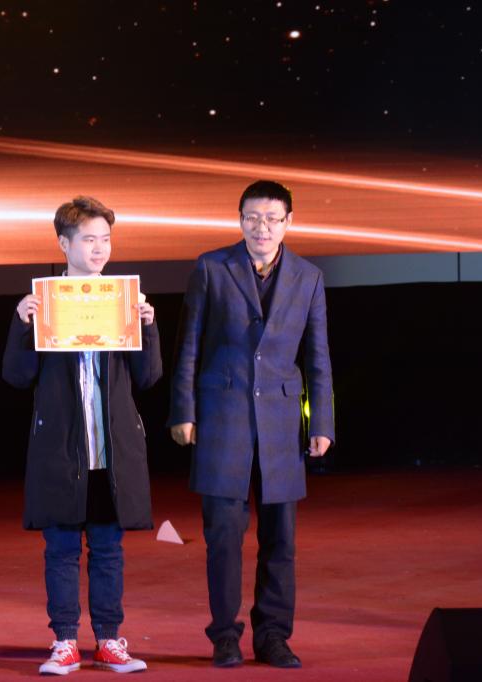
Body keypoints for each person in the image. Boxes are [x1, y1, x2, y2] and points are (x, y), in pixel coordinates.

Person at [168, 180, 334, 669]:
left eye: (271, 219)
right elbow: (188, 344)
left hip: (281, 425)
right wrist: (183, 410)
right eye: (252, 218)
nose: (261, 228)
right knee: (223, 537)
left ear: (288, 222)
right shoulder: (211, 267)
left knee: (281, 540)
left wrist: (322, 421)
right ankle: (224, 636)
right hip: (222, 419)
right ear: (240, 219)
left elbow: (318, 356)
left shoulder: (308, 277)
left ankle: (273, 636)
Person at [2, 196, 162, 675]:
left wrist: (148, 327)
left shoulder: (123, 300)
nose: (99, 249)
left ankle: (110, 640)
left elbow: (149, 377)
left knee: (109, 549)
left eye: (105, 240)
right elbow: (16, 376)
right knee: (62, 550)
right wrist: (21, 324)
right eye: (89, 239)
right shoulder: (44, 304)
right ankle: (65, 641)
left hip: (111, 451)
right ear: (64, 244)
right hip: (61, 449)